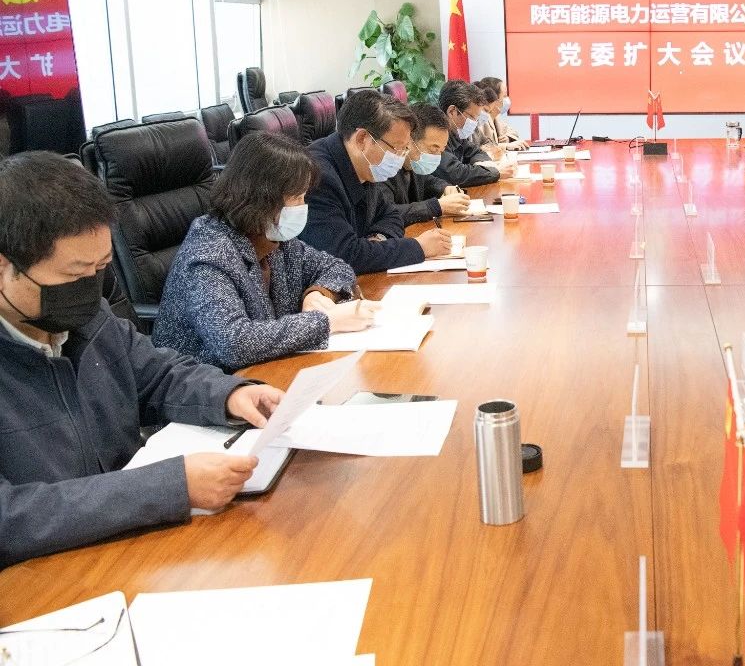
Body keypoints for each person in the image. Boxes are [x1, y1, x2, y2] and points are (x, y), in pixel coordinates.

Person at [0, 152, 284, 566]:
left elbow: (159, 374)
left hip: (127, 547)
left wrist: (229, 395)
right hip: (44, 576)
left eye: (101, 268)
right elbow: (9, 517)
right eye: (74, 274)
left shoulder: (90, 319)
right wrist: (168, 487)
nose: (90, 289)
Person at [153, 131, 377, 371]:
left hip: (263, 370)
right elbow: (234, 343)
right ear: (261, 198)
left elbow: (337, 267)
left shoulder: (273, 238)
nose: (303, 207)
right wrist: (326, 321)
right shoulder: (209, 254)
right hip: (203, 384)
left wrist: (318, 293)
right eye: (296, 198)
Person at [299, 90, 451, 274]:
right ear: (362, 139)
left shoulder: (365, 166)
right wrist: (418, 247)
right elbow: (343, 255)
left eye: (404, 149)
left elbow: (392, 215)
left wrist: (378, 240)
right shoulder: (317, 177)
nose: (400, 157)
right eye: (397, 149)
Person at [382, 104, 471, 226]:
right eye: (433, 149)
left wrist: (446, 188)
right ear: (408, 139)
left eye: (441, 150)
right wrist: (436, 206)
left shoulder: (414, 166)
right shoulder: (383, 168)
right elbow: (386, 213)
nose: (437, 157)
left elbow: (428, 181)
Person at [435, 80, 510, 188]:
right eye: (471, 117)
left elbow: (477, 152)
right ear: (452, 111)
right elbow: (455, 173)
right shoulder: (435, 135)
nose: (475, 123)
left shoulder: (457, 134)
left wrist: (483, 167)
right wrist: (495, 172)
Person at [476, 75, 528, 149]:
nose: (507, 100)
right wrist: (505, 146)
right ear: (493, 98)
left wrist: (508, 138)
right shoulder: (481, 119)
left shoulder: (496, 117)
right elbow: (478, 147)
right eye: (504, 96)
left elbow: (513, 132)